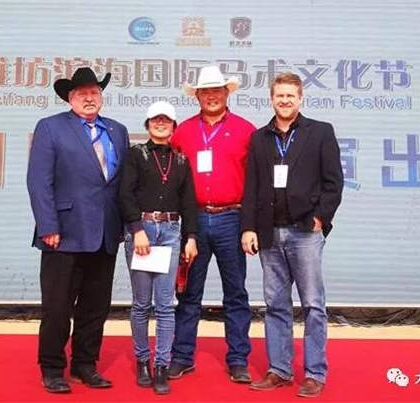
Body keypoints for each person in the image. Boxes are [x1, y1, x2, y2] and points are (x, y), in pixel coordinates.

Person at [240, 72, 343, 397]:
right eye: (279, 95)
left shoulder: (320, 132)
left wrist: (320, 218)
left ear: (300, 98)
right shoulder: (259, 138)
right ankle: (279, 370)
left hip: (305, 233)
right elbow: (251, 187)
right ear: (271, 99)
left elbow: (333, 183)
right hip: (269, 233)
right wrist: (248, 227)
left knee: (313, 304)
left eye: (290, 96)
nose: (284, 101)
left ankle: (314, 373)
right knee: (275, 304)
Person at [27, 67, 129, 393]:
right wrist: (48, 225)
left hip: (105, 233)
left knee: (95, 307)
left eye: (94, 92)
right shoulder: (51, 127)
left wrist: (127, 225)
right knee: (57, 306)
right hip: (64, 233)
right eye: (82, 93)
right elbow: (39, 181)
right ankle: (52, 368)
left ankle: (85, 364)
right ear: (70, 98)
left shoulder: (117, 130)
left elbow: (122, 184)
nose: (89, 98)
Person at [168, 65, 256, 383]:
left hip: (232, 218)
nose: (211, 97)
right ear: (198, 96)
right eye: (205, 92)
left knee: (235, 293)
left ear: (226, 93)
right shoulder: (183, 132)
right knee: (188, 292)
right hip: (193, 221)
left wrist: (250, 224)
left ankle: (238, 360)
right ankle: (181, 356)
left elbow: (255, 182)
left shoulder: (247, 130)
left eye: (217, 90)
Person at [119, 101, 198, 394]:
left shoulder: (181, 161)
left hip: (171, 233)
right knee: (142, 304)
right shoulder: (135, 154)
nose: (161, 123)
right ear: (148, 124)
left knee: (166, 305)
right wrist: (136, 229)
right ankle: (142, 361)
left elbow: (189, 202)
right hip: (142, 231)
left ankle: (162, 364)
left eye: (166, 120)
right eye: (155, 119)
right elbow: (125, 194)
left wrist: (191, 237)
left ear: (174, 126)